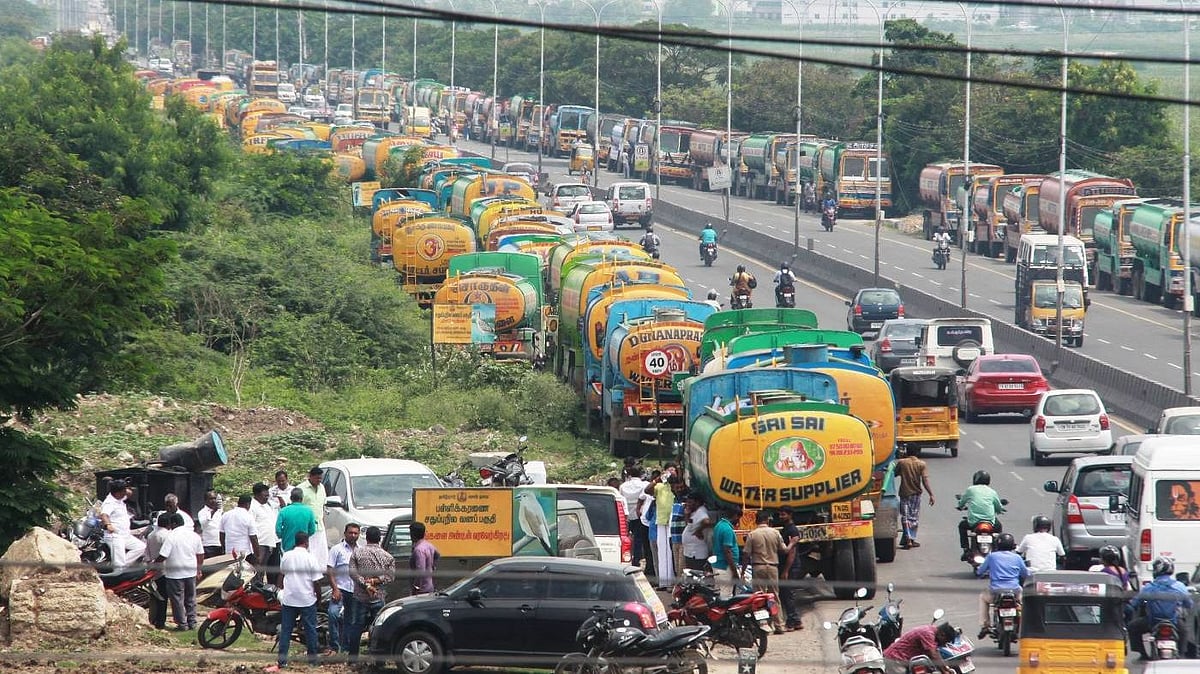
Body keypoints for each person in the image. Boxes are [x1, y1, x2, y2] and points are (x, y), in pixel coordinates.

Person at [273, 531, 324, 670]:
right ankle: (312, 661)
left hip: (289, 599)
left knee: (286, 630)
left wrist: (279, 591)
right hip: (307, 599)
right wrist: (318, 598)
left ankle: (282, 661)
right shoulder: (310, 558)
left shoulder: (287, 556)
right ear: (306, 542)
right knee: (310, 630)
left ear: (295, 542)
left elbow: (281, 575)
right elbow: (316, 582)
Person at [346, 526, 396, 662]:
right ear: (379, 539)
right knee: (380, 628)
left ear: (366, 538)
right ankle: (380, 660)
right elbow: (391, 577)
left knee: (356, 627)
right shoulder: (388, 557)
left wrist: (366, 584)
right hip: (378, 596)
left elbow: (352, 573)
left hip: (360, 597)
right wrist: (375, 581)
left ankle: (352, 659)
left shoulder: (357, 553)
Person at [1128, 556, 1194, 659]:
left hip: (1152, 622)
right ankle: (1181, 654)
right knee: (1185, 632)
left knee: (1132, 627)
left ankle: (1142, 655)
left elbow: (1134, 604)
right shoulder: (1179, 586)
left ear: (1156, 570)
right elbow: (1189, 604)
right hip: (1174, 622)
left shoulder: (1149, 587)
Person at [743, 510, 790, 634]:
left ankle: (764, 626)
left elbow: (746, 554)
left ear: (756, 520)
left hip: (758, 567)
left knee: (759, 598)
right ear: (768, 520)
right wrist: (792, 543)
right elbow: (784, 550)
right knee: (774, 596)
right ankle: (779, 625)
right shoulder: (775, 533)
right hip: (773, 567)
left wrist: (743, 571)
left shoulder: (752, 534)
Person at [155, 513, 204, 631]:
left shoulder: (171, 536)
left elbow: (163, 555)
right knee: (191, 598)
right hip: (191, 571)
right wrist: (199, 569)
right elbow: (200, 554)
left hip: (175, 574)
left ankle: (182, 624)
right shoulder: (194, 536)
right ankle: (192, 622)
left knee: (177, 600)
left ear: (174, 524)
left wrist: (154, 563)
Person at [976, 532, 1028, 639]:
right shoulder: (1017, 558)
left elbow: (980, 571)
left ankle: (985, 625)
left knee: (982, 597)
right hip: (1015, 590)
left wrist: (980, 572)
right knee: (1024, 603)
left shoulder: (992, 557)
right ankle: (1025, 626)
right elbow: (1025, 573)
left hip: (995, 591)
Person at [327, 523, 361, 655]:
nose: (353, 535)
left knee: (350, 620)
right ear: (345, 533)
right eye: (350, 533)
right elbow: (329, 570)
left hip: (355, 591)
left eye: (355, 533)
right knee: (333, 614)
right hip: (340, 589)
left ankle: (346, 648)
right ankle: (334, 646)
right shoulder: (337, 549)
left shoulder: (360, 550)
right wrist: (335, 589)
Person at [957, 470, 1005, 560]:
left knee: (962, 526)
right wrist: (999, 510)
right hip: (990, 522)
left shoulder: (971, 490)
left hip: (974, 522)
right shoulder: (992, 492)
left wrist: (960, 506)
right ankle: (998, 549)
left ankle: (966, 549)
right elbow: (998, 507)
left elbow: (962, 502)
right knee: (999, 527)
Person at [99, 479, 145, 570]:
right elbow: (104, 515)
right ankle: (119, 569)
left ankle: (123, 566)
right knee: (119, 561)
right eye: (123, 491)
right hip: (115, 536)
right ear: (117, 493)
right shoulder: (109, 503)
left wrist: (125, 488)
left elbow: (130, 494)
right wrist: (108, 525)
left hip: (125, 534)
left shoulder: (119, 499)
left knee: (141, 547)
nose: (125, 493)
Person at [895, 447, 935, 549]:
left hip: (904, 493)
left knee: (905, 517)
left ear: (907, 452)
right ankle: (911, 539)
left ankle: (908, 540)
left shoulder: (902, 463)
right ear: (917, 452)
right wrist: (931, 494)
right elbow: (925, 481)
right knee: (914, 517)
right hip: (916, 494)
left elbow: (894, 474)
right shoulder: (921, 464)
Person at [882, 622, 959, 674]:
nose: (944, 644)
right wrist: (944, 671)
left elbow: (936, 652)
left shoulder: (933, 633)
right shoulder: (927, 633)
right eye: (945, 641)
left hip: (905, 660)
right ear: (942, 634)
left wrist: (946, 668)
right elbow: (933, 655)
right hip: (895, 659)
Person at [645, 468, 678, 588]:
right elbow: (647, 490)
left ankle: (672, 582)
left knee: (672, 553)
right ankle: (664, 582)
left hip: (673, 522)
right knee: (662, 553)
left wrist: (675, 479)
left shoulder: (677, 486)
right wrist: (657, 479)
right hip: (661, 521)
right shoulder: (660, 486)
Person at [143, 512, 174, 630]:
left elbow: (146, 553)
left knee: (155, 596)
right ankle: (160, 622)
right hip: (164, 570)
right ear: (169, 524)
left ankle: (153, 619)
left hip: (152, 570)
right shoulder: (167, 536)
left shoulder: (151, 535)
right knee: (163, 597)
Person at [778, 507, 806, 630]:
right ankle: (795, 621)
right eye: (780, 514)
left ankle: (792, 621)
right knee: (786, 594)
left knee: (788, 594)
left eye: (783, 515)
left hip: (790, 566)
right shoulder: (786, 529)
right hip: (788, 566)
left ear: (790, 515)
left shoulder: (792, 530)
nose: (781, 517)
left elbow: (792, 553)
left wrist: (786, 571)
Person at [620, 467, 653, 574]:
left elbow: (621, 500)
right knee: (639, 539)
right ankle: (636, 560)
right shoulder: (644, 485)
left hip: (627, 515)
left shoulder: (623, 486)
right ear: (640, 475)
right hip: (640, 515)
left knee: (627, 538)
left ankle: (628, 558)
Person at [299, 466, 331, 570]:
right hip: (306, 528)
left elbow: (322, 507)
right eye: (317, 478)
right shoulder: (301, 489)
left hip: (320, 527)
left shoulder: (322, 488)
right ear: (310, 476)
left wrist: (324, 524)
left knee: (321, 555)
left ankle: (319, 575)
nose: (319, 480)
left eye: (320, 478)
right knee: (308, 553)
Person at [250, 483, 280, 581]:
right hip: (261, 543)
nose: (267, 498)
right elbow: (250, 526)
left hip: (272, 542)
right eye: (265, 496)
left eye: (268, 495)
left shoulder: (267, 505)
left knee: (272, 570)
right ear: (257, 495)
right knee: (259, 569)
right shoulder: (252, 507)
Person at [710, 505, 741, 599]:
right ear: (735, 515)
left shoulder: (719, 525)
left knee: (719, 593)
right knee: (726, 595)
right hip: (725, 567)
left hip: (718, 565)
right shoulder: (727, 529)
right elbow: (727, 551)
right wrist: (734, 572)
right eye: (738, 518)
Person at [277, 487, 318, 553]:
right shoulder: (309, 511)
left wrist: (284, 535)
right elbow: (312, 530)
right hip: (303, 545)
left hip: (287, 546)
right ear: (302, 498)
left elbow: (278, 530)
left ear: (291, 498)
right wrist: (305, 536)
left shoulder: (283, 511)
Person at [219, 494, 259, 559]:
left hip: (229, 553)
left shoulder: (226, 515)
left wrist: (224, 547)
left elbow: (221, 535)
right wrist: (257, 555)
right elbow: (253, 538)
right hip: (245, 553)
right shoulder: (248, 517)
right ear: (248, 504)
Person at [681, 491, 711, 572]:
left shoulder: (701, 511)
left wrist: (698, 531)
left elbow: (706, 521)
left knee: (697, 574)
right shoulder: (694, 511)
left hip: (696, 553)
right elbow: (689, 526)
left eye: (690, 502)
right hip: (690, 552)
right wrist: (687, 515)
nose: (687, 504)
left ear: (697, 502)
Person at [409, 522, 440, 595]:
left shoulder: (419, 550)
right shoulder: (428, 545)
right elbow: (437, 555)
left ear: (413, 534)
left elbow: (420, 572)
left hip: (422, 590)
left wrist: (416, 588)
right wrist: (432, 566)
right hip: (429, 585)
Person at [196, 491, 224, 559]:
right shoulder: (202, 512)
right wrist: (213, 512)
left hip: (219, 544)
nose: (213, 500)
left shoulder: (219, 512)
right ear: (205, 500)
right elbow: (203, 524)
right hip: (208, 545)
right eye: (211, 499)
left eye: (214, 498)